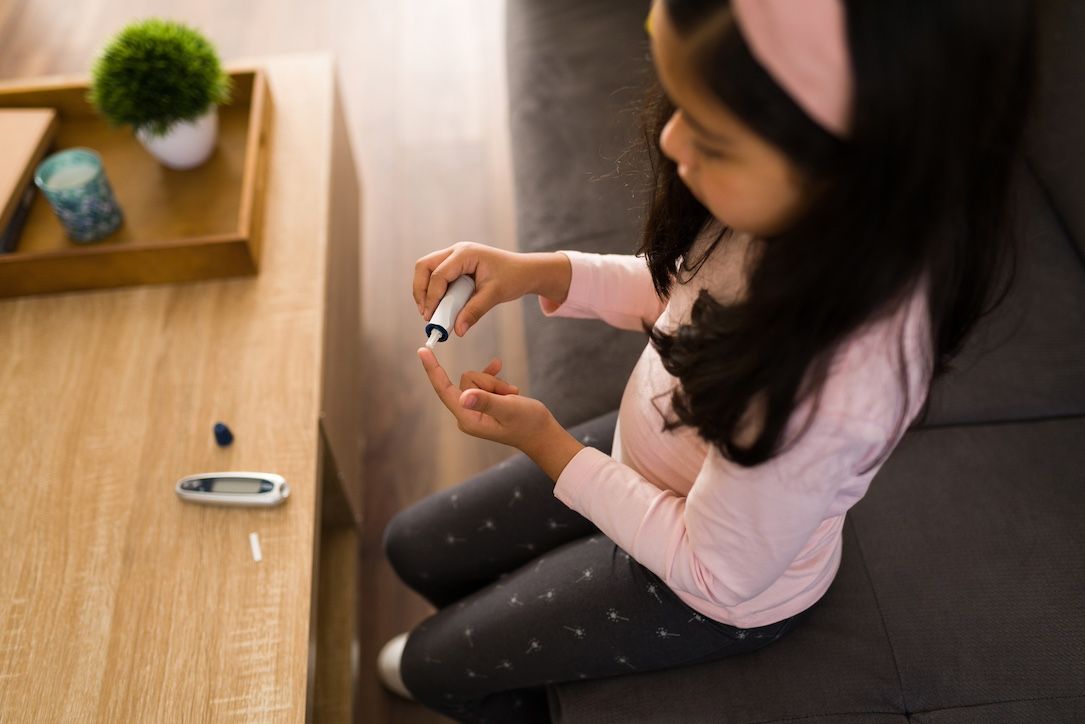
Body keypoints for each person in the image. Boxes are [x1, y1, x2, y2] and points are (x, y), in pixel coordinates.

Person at [380, 0, 1037, 721]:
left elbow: (717, 573)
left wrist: (549, 446)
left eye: (713, 138)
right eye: (679, 103)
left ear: (847, 175)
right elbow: (689, 293)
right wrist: (540, 271)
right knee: (414, 549)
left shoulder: (835, 390)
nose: (668, 140)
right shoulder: (790, 216)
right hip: (653, 457)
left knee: (429, 667)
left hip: (704, 586)